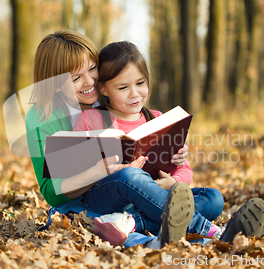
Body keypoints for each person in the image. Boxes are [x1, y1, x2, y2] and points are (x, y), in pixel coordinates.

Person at [72, 41, 264, 247]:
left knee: (213, 198)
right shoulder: (90, 119)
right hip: (108, 198)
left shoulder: (157, 119)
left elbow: (185, 171)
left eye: (140, 83)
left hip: (152, 201)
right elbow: (73, 172)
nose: (135, 93)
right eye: (123, 87)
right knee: (129, 175)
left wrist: (172, 182)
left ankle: (129, 224)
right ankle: (211, 231)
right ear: (103, 88)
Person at [25, 30, 192, 246]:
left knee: (210, 199)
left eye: (93, 68)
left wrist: (174, 155)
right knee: (122, 192)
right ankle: (198, 231)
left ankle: (136, 224)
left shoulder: (108, 98)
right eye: (76, 78)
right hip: (81, 205)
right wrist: (99, 171)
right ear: (54, 83)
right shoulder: (41, 117)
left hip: (131, 198)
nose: (90, 82)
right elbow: (51, 192)